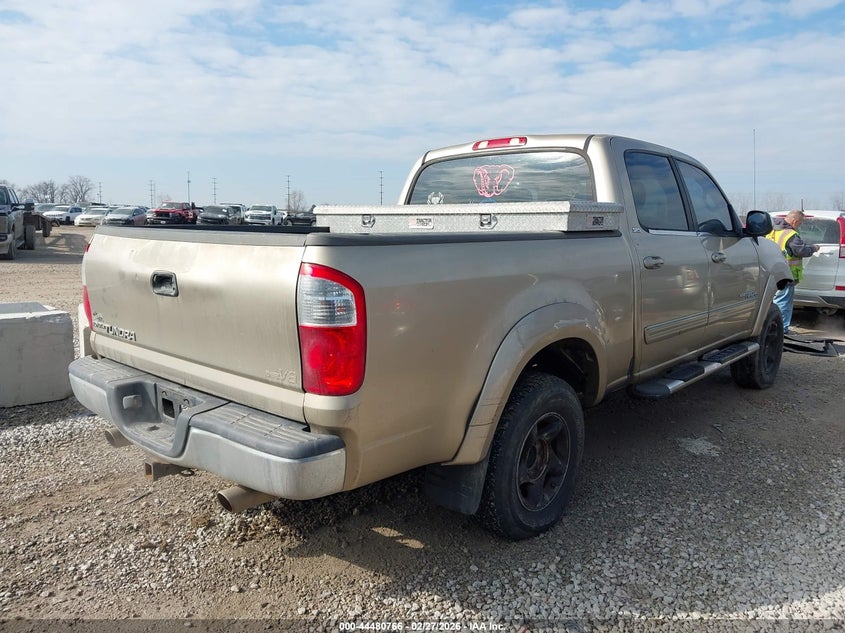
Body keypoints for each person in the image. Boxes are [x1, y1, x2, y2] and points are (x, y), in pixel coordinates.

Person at [765, 209, 820, 334]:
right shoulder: (790, 234)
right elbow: (800, 251)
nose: (798, 227)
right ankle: (781, 331)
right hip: (786, 274)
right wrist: (813, 248)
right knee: (783, 303)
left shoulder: (772, 231)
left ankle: (769, 327)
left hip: (770, 273)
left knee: (771, 302)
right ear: (795, 221)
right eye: (799, 224)